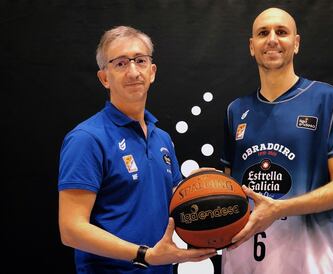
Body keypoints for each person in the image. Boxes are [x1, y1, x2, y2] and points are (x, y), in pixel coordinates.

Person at [58, 26, 216, 274]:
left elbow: (172, 198)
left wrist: (199, 186)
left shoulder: (161, 138)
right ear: (104, 78)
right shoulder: (86, 139)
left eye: (140, 61)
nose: (133, 71)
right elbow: (71, 230)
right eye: (120, 63)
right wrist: (145, 255)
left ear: (151, 72)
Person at [220, 7, 333, 274]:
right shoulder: (235, 110)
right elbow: (228, 191)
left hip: (310, 263)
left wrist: (279, 208)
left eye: (281, 32)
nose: (272, 39)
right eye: (263, 33)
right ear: (252, 46)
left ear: (296, 43)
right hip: (242, 264)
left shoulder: (328, 101)